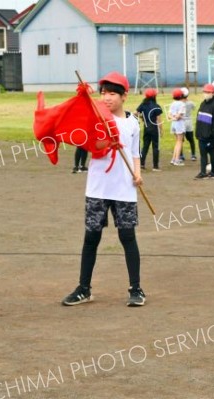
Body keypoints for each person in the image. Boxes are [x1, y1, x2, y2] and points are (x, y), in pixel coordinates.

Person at [61, 71, 145, 307]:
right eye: (103, 93)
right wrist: (107, 141)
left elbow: (135, 153)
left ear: (124, 96)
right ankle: (84, 289)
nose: (107, 98)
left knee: (128, 237)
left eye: (112, 93)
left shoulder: (133, 123)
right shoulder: (96, 117)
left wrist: (138, 174)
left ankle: (136, 288)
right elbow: (92, 146)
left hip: (125, 189)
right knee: (91, 238)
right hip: (98, 189)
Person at [194, 84, 214, 180]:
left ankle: (213, 172)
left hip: (210, 136)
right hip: (201, 135)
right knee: (203, 155)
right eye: (205, 92)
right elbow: (199, 119)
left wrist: (212, 136)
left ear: (213, 93)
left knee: (212, 153)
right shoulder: (203, 104)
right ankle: (203, 172)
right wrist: (197, 132)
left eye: (208, 92)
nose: (206, 94)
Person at [137, 88, 163, 171]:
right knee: (155, 146)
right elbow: (158, 119)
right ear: (154, 96)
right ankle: (155, 166)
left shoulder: (143, 105)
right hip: (154, 127)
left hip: (146, 127)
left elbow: (136, 113)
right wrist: (161, 129)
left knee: (145, 146)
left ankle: (141, 164)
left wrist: (142, 117)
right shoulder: (156, 106)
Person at [168, 88, 186, 166]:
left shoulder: (172, 103)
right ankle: (177, 160)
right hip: (179, 124)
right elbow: (179, 115)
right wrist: (176, 117)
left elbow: (169, 115)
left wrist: (173, 118)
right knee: (180, 142)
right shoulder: (182, 104)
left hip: (173, 124)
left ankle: (173, 159)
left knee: (177, 141)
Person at [180, 87, 197, 161]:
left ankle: (181, 155)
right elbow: (194, 108)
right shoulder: (190, 103)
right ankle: (193, 155)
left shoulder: (179, 104)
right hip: (189, 122)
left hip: (181, 122)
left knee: (180, 140)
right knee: (191, 139)